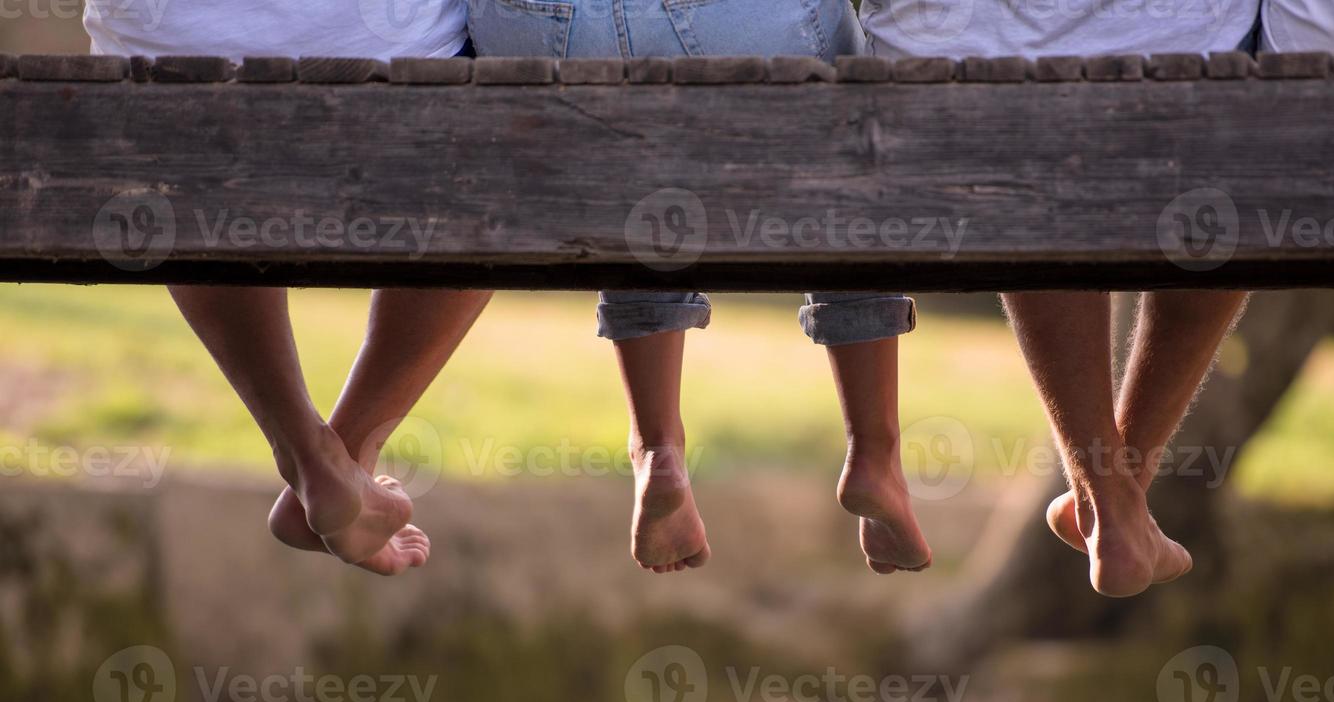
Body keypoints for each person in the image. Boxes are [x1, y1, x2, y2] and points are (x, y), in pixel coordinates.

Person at [470, 0, 932, 576]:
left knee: (636, 159)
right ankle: (874, 451)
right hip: (731, 19)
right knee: (850, 135)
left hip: (536, 25)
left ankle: (658, 448)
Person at [864, 0, 1261, 597]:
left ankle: (1108, 500)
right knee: (1234, 160)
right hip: (1189, 61)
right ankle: (1113, 499)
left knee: (1030, 82)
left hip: (945, 70)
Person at [84, 1, 492, 575]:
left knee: (181, 112)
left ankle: (308, 453)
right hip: (395, 63)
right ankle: (344, 455)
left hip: (155, 71)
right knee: (495, 152)